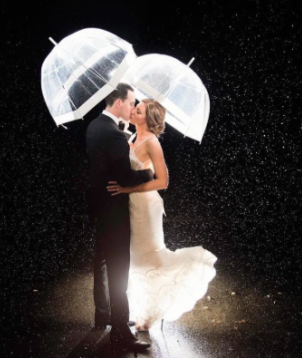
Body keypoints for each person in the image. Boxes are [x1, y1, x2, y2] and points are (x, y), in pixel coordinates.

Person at [107, 99, 217, 331]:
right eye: (134, 108)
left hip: (146, 205)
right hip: (133, 203)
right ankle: (140, 311)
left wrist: (128, 189)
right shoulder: (133, 138)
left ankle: (149, 314)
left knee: (148, 257)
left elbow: (162, 180)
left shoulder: (152, 142)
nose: (133, 111)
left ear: (147, 118)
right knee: (136, 258)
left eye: (138, 111)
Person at [85, 83, 152, 351]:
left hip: (98, 206)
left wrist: (121, 138)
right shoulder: (113, 135)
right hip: (114, 210)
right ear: (118, 103)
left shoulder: (94, 127)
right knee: (118, 268)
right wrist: (147, 174)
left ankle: (103, 315)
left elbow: (102, 161)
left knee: (101, 262)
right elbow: (124, 177)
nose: (133, 107)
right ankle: (121, 332)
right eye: (131, 102)